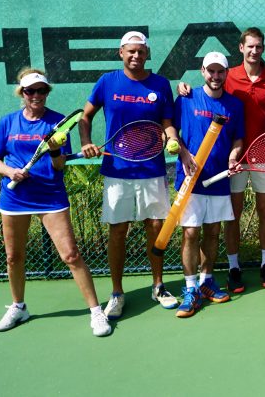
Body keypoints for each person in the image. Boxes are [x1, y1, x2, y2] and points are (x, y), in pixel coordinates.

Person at [0, 68, 111, 337]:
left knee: (71, 255)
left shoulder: (57, 123)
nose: (36, 95)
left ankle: (96, 312)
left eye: (41, 90)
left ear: (47, 92)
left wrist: (56, 149)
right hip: (14, 197)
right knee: (13, 257)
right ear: (22, 93)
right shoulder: (8, 122)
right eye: (30, 91)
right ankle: (19, 307)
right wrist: (10, 172)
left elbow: (59, 166)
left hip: (50, 197)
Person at [79, 31, 181, 319]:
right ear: (120, 53)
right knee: (118, 231)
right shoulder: (107, 82)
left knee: (156, 226)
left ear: (147, 53)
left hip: (151, 168)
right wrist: (86, 142)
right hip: (117, 170)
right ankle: (116, 293)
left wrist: (171, 138)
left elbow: (167, 123)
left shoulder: (161, 84)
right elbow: (85, 116)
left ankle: (158, 286)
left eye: (141, 51)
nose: (136, 56)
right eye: (130, 51)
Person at [178, 27, 265, 292]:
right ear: (241, 48)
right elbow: (205, 95)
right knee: (232, 216)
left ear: (262, 48)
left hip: (263, 155)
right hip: (232, 161)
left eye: (259, 46)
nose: (254, 50)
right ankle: (234, 267)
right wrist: (183, 87)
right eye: (250, 46)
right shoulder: (229, 76)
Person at [173, 52, 245, 316]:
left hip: (218, 180)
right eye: (211, 71)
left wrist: (234, 155)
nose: (216, 77)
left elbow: (238, 139)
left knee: (213, 233)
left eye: (220, 72)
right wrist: (183, 153)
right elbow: (171, 130)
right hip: (190, 181)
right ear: (202, 71)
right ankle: (190, 288)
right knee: (191, 233)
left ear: (226, 74)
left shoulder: (234, 106)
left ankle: (206, 281)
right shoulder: (186, 97)